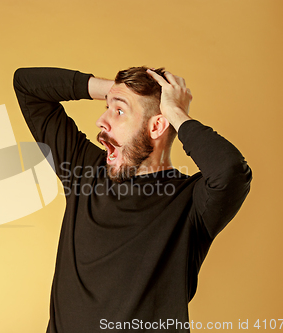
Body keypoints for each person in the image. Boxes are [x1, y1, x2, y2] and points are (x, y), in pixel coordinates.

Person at [13, 66, 252, 333]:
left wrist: (176, 112)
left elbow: (231, 172)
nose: (101, 121)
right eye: (107, 108)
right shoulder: (84, 172)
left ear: (157, 126)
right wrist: (114, 91)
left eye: (119, 112)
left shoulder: (191, 204)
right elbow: (27, 85)